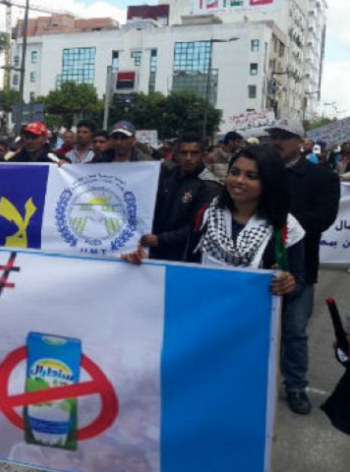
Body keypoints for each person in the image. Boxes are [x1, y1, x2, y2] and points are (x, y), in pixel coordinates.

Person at [123, 146, 304, 299]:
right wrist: (147, 264)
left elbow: (298, 285)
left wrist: (287, 285)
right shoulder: (207, 215)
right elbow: (187, 266)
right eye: (234, 172)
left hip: (253, 321)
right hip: (206, 312)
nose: (239, 180)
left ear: (269, 181)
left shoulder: (285, 226)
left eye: (251, 176)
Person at [267, 119, 340, 415]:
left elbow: (324, 217)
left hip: (300, 266)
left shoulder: (321, 176)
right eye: (274, 136)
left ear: (301, 141)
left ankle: (296, 385)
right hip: (258, 265)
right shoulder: (260, 169)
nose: (277, 142)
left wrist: (284, 227)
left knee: (294, 331)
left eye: (284, 136)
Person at [141, 133, 221, 261]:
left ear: (203, 155)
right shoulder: (168, 176)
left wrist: (161, 239)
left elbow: (197, 227)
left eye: (194, 153)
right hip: (154, 249)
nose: (188, 158)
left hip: (185, 256)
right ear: (177, 154)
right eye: (184, 153)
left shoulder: (209, 185)